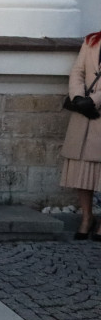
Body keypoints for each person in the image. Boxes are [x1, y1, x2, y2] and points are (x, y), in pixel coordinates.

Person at [60, 30, 101, 240]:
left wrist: (94, 101)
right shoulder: (92, 40)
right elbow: (78, 70)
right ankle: (87, 217)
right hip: (84, 115)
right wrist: (77, 97)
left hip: (96, 109)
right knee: (82, 170)